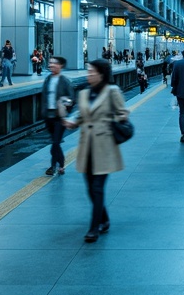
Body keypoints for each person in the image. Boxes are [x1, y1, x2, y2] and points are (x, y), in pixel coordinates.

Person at [64, 58, 127, 242]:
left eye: (92, 72)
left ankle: (94, 227)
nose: (89, 75)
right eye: (88, 71)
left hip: (104, 146)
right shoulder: (84, 93)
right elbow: (82, 115)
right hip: (86, 146)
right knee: (90, 188)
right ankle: (104, 218)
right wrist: (73, 122)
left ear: (101, 74)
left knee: (98, 187)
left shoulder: (112, 91)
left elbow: (123, 113)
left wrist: (110, 122)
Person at [43, 55, 75, 175]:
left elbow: (72, 99)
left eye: (54, 63)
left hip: (60, 117)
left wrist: (63, 102)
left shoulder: (65, 81)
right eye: (50, 63)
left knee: (55, 142)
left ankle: (53, 167)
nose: (51, 65)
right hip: (49, 116)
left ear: (60, 66)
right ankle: (61, 164)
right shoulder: (48, 80)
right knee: (55, 142)